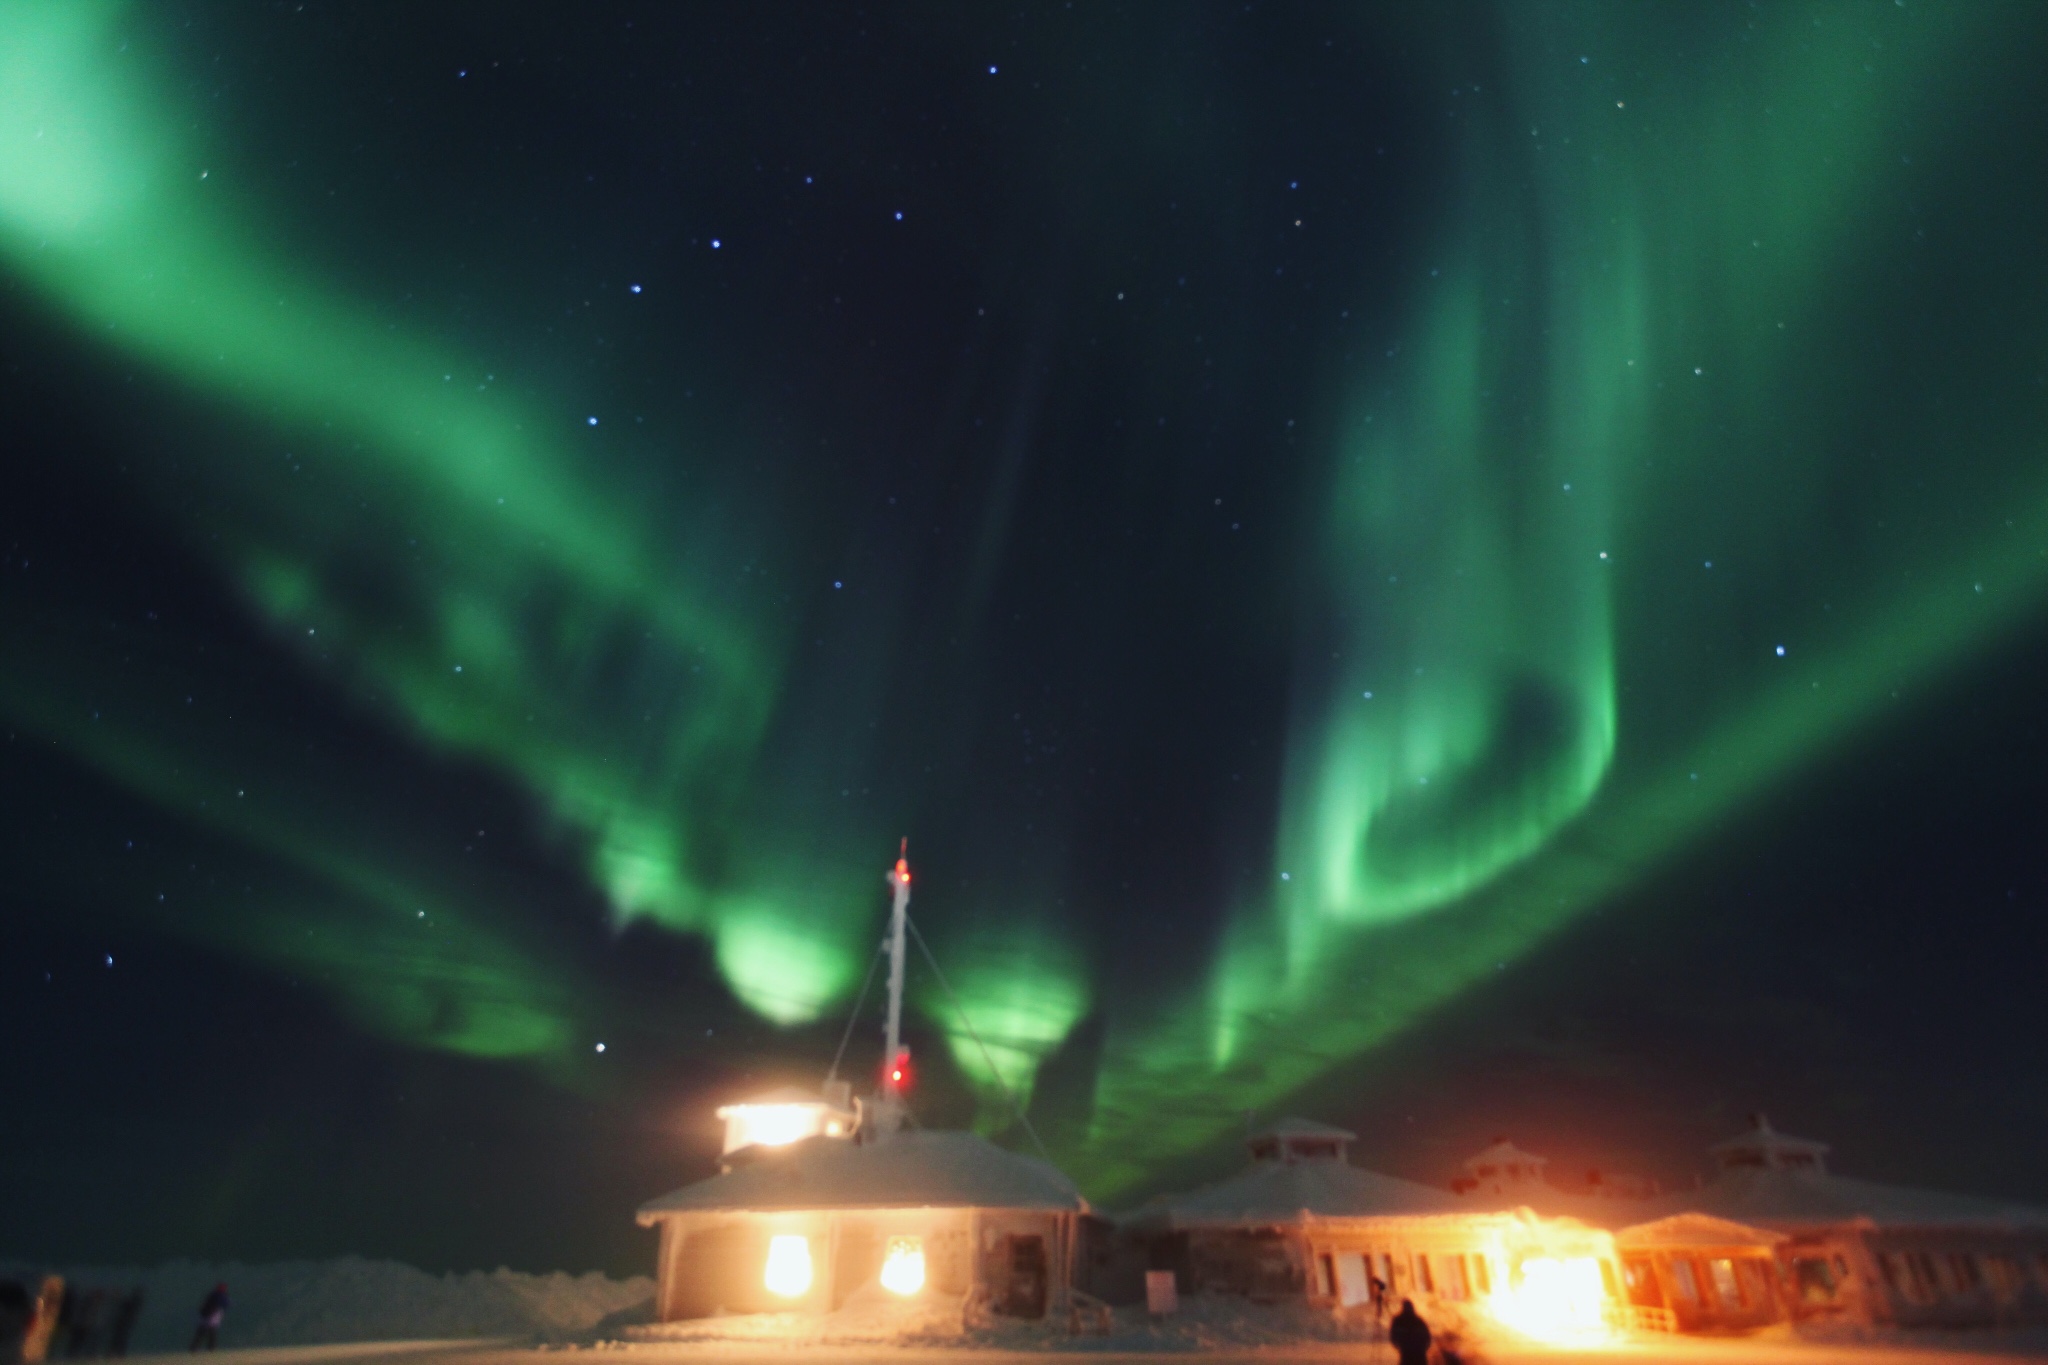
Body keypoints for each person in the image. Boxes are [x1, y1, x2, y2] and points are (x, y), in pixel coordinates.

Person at [1388, 1297, 1432, 1365]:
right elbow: (1427, 1335)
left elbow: (1394, 1335)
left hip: (1407, 1350)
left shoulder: (1399, 1320)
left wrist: (1398, 1344)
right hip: (1419, 1351)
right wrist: (1425, 1346)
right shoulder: (1418, 1320)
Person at [189, 1285, 227, 1353]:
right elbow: (225, 1304)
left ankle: (200, 1347)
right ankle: (208, 1348)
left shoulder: (214, 1295)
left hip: (207, 1314)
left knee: (205, 1332)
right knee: (207, 1332)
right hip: (210, 1315)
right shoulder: (217, 1295)